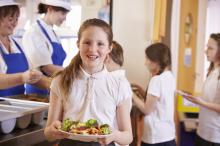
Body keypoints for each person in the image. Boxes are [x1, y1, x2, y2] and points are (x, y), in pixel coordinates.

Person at [44, 18, 133, 146]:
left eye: (100, 44)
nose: (92, 49)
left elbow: (128, 136)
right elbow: (48, 134)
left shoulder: (119, 84)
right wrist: (53, 131)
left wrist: (114, 135)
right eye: (87, 42)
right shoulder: (60, 80)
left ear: (109, 48)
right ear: (78, 44)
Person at [22, 0, 71, 96]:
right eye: (62, 13)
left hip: (54, 87)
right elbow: (47, 68)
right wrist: (74, 72)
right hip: (39, 91)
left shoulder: (53, 33)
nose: (64, 18)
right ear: (50, 10)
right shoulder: (34, 33)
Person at [132, 43, 176, 146]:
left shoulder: (156, 80)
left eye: (147, 59)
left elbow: (147, 109)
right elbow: (159, 101)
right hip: (168, 135)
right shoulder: (169, 76)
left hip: (155, 137)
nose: (145, 63)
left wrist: (131, 94)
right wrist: (141, 90)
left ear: (156, 61)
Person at [181, 33, 220, 146]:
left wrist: (201, 102)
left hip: (214, 136)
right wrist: (196, 100)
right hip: (202, 132)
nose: (205, 51)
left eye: (210, 48)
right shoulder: (212, 71)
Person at [0, 0, 42, 96]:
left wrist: (53, 84)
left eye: (16, 19)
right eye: (10, 19)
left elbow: (31, 74)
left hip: (17, 104)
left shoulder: (17, 44)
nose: (14, 23)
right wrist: (22, 77)